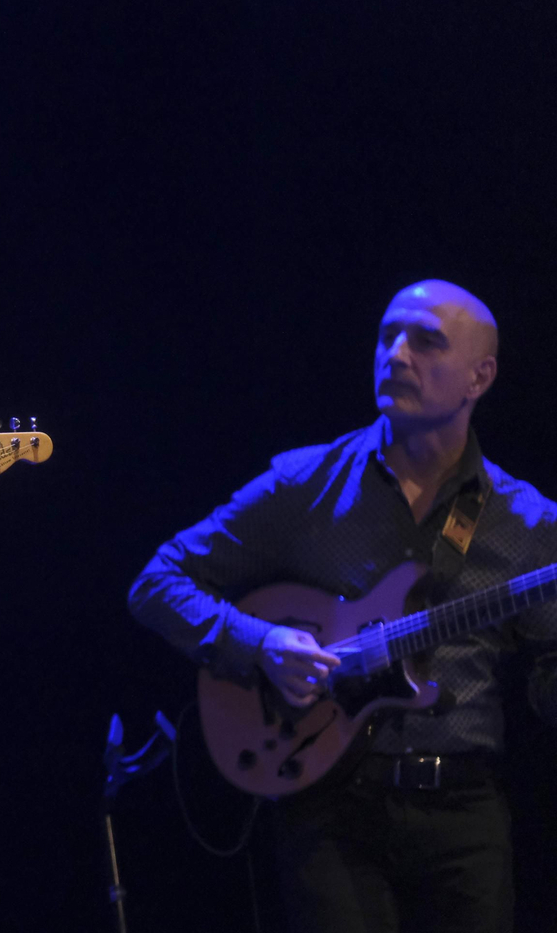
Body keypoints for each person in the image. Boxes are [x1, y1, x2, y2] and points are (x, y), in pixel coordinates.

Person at [128, 279, 557, 932]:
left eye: (425, 341)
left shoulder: (527, 521)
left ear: (481, 376)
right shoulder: (307, 483)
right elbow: (158, 581)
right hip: (327, 811)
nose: (397, 355)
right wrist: (260, 645)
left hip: (464, 817)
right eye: (388, 336)